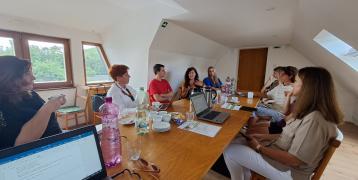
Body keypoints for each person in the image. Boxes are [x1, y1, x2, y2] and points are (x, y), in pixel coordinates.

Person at [224, 67, 343, 180]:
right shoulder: (310, 112)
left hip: (288, 172)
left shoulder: (315, 119)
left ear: (308, 88)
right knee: (238, 141)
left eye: (296, 82)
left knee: (230, 150)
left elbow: (294, 160)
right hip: (281, 157)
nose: (293, 85)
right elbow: (291, 137)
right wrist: (263, 137)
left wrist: (259, 147)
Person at [0, 56, 65, 150]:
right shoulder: (3, 105)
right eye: (27, 73)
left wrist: (54, 103)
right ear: (10, 78)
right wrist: (48, 108)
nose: (34, 77)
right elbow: (21, 146)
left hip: (57, 144)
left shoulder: (31, 95)